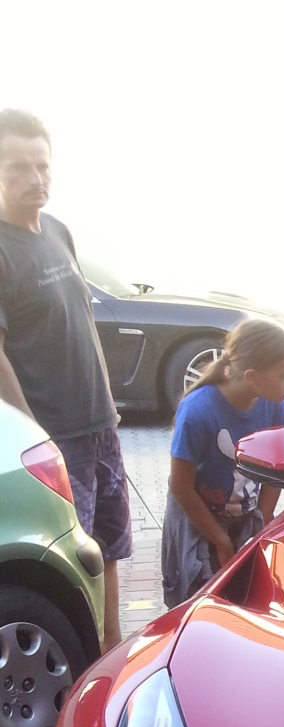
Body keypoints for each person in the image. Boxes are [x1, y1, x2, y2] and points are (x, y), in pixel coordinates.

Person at [0, 109, 126, 649]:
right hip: (51, 438)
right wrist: (34, 433)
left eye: (43, 166)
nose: (37, 179)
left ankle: (114, 652)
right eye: (20, 167)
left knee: (110, 549)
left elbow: (82, 321)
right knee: (74, 559)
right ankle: (86, 664)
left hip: (100, 423)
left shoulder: (58, 231)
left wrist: (108, 405)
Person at [162, 317, 284, 608]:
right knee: (195, 607)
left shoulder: (275, 406)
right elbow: (180, 487)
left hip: (244, 520)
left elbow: (280, 468)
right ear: (252, 377)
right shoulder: (197, 411)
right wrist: (221, 542)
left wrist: (262, 520)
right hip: (196, 523)